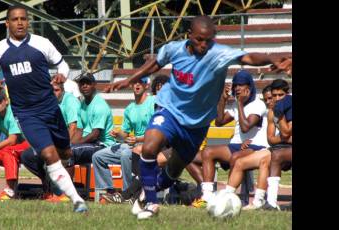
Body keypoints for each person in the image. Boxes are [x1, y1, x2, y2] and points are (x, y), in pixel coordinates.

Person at [104, 15, 291, 219]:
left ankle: (147, 193)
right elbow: (155, 64)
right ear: (189, 35)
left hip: (196, 125)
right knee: (149, 147)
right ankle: (151, 203)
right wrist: (129, 79)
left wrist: (272, 58)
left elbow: (248, 58)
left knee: (172, 172)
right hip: (170, 111)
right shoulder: (174, 49)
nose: (204, 44)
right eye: (199, 39)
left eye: (208, 40)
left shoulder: (219, 54)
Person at [0, 5, 87, 212]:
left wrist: (62, 75)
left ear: (28, 21)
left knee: (65, 152)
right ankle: (77, 200)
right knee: (49, 154)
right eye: (15, 19)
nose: (20, 23)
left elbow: (62, 64)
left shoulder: (42, 43)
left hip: (50, 108)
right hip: (26, 113)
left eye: (23, 19)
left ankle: (66, 186)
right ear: (7, 23)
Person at [200, 70, 269, 206]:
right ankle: (207, 196)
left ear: (249, 87)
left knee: (236, 157)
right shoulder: (236, 104)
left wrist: (240, 104)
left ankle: (228, 197)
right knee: (207, 152)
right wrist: (223, 100)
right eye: (235, 85)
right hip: (237, 144)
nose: (237, 88)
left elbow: (245, 127)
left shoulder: (258, 104)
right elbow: (219, 122)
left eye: (241, 85)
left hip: (255, 146)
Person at [93, 75, 154, 203]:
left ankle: (128, 194)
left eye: (141, 82)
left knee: (126, 154)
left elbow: (157, 131)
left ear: (146, 86)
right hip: (133, 145)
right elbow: (125, 135)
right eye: (135, 83)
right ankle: (108, 192)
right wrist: (118, 133)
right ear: (131, 86)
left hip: (150, 145)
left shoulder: (152, 102)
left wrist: (138, 139)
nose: (137, 85)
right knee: (98, 156)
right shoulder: (129, 108)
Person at [20, 78, 82, 202]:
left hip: (76, 139)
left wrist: (63, 145)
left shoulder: (70, 101)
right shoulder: (47, 102)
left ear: (62, 90)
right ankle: (48, 188)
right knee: (28, 155)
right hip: (55, 140)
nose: (53, 93)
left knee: (65, 153)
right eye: (50, 90)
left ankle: (64, 193)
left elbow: (73, 127)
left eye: (56, 90)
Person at [220, 84, 274, 210]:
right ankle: (227, 199)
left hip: (276, 151)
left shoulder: (281, 112)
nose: (269, 101)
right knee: (238, 162)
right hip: (266, 149)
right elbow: (262, 135)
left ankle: (259, 201)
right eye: (266, 99)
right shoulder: (268, 114)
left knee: (264, 160)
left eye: (272, 98)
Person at [263, 79, 292, 211]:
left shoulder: (286, 108)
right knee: (268, 157)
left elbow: (285, 133)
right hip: (284, 147)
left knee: (277, 155)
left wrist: (279, 112)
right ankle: (264, 200)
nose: (277, 98)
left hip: (283, 150)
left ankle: (271, 202)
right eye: (274, 95)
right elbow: (270, 139)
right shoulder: (271, 112)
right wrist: (284, 139)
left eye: (281, 95)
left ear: (287, 94)